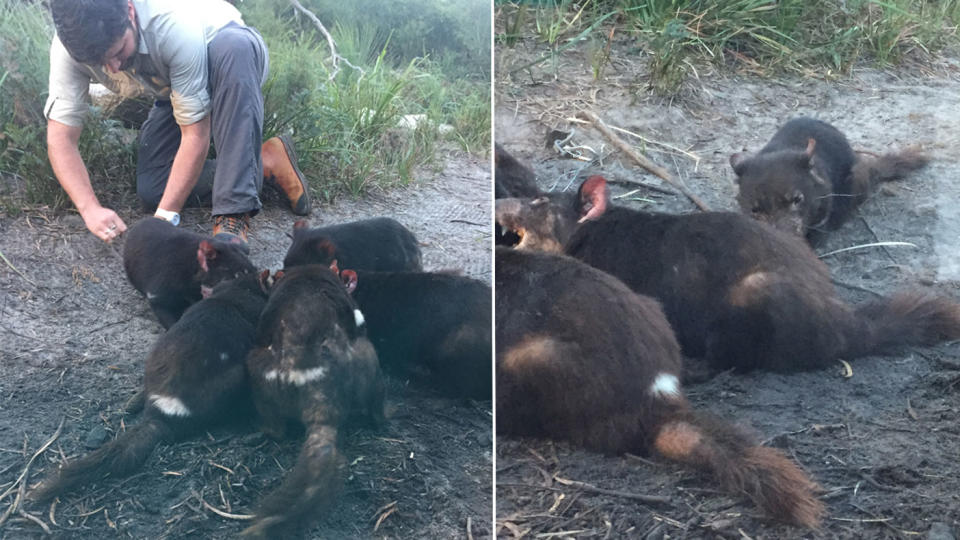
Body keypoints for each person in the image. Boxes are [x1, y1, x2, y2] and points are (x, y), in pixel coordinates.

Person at [45, 0, 310, 246]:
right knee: (154, 189)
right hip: (175, 84)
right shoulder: (70, 48)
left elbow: (195, 134)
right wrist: (90, 209)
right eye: (100, 64)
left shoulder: (170, 22)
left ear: (130, 11)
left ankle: (233, 212)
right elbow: (60, 138)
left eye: (119, 51)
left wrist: (163, 222)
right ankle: (264, 162)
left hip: (229, 57)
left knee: (233, 48)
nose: (113, 68)